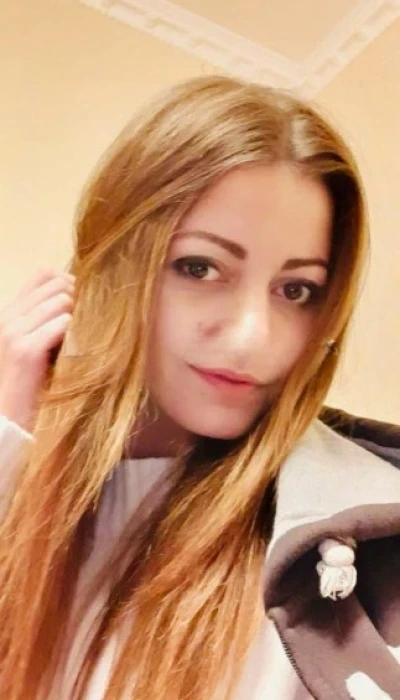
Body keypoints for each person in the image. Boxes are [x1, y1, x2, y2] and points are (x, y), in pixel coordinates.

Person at [0, 75, 399, 700]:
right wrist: (11, 446)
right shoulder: (27, 470)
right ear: (111, 264)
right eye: (200, 267)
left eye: (296, 290)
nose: (252, 337)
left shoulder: (354, 544)